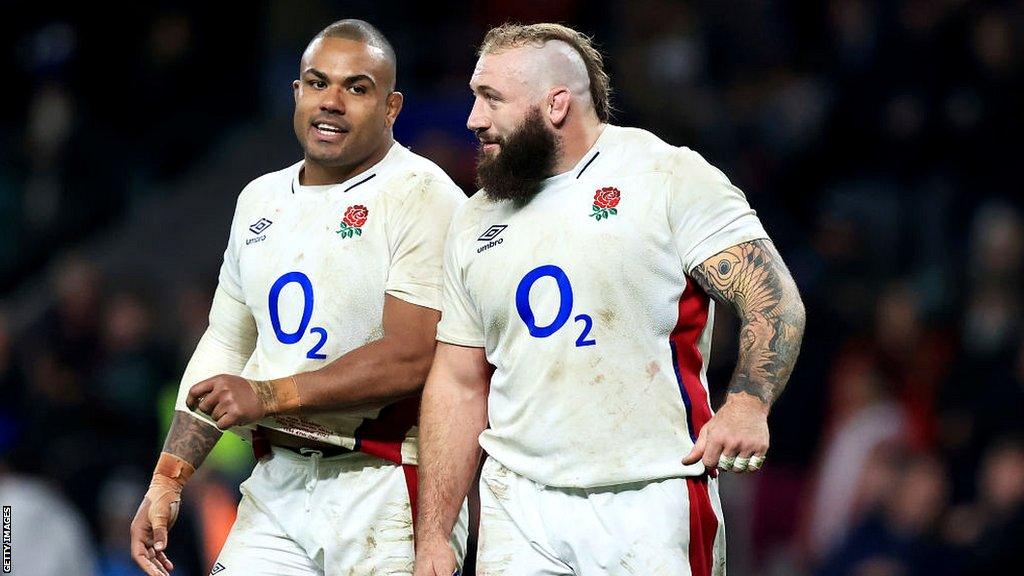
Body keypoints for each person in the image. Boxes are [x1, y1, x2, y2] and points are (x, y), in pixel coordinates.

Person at [414, 22, 806, 576]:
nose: (473, 119)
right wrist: (435, 535)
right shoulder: (474, 217)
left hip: (649, 494)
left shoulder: (668, 176)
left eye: (491, 100)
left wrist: (747, 402)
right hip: (517, 505)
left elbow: (774, 296)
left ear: (556, 104)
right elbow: (458, 381)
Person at [128, 19, 468, 576]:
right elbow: (226, 341)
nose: (331, 102)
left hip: (386, 484)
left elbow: (410, 355)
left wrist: (268, 394)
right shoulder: (259, 199)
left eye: (357, 88)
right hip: (278, 480)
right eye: (317, 83)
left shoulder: (423, 194)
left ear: (392, 107)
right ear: (295, 92)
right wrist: (168, 479)